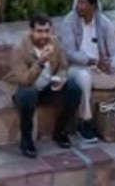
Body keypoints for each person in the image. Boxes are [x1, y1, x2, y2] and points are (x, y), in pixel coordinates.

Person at [60, 0, 115, 143]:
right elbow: (69, 52)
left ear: (93, 6)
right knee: (84, 77)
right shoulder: (69, 21)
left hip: (100, 70)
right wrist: (92, 61)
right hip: (77, 69)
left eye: (83, 3)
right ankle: (85, 122)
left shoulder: (104, 23)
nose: (79, 6)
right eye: (78, 2)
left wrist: (111, 65)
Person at [6, 13, 82, 158]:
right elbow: (24, 80)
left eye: (47, 31)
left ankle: (61, 131)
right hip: (25, 90)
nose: (43, 36)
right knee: (28, 93)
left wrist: (61, 78)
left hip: (48, 88)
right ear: (31, 31)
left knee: (74, 89)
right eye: (39, 31)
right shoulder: (19, 49)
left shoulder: (55, 42)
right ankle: (26, 139)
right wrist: (40, 63)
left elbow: (64, 66)